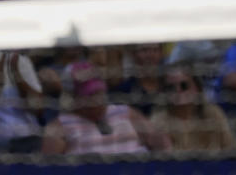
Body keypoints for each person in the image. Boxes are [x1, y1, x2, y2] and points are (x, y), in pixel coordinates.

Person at [41, 60, 170, 155]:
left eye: (99, 92)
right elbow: (46, 169)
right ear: (73, 97)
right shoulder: (60, 126)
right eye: (90, 95)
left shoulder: (125, 112)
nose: (97, 100)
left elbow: (162, 144)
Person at [149, 63, 236, 152]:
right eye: (171, 87)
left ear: (197, 88)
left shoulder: (213, 113)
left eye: (184, 86)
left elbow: (231, 147)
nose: (178, 91)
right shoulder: (158, 121)